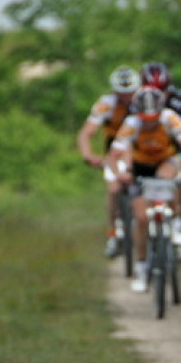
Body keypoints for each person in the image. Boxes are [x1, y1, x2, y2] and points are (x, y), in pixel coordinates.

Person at [107, 86, 181, 292]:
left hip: (165, 161)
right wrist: (120, 174)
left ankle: (174, 221)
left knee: (168, 177)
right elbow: (113, 155)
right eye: (145, 118)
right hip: (141, 167)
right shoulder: (131, 124)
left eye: (153, 117)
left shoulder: (170, 118)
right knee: (140, 218)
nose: (149, 122)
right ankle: (142, 266)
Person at [140, 61, 181, 257]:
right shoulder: (137, 102)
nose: (158, 95)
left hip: (178, 152)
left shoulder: (179, 103)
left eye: (163, 90)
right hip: (147, 153)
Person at [76, 65, 141, 258]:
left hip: (138, 148)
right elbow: (86, 133)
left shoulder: (144, 101)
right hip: (115, 149)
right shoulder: (106, 104)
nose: (125, 97)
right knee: (113, 189)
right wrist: (88, 154)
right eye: (121, 93)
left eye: (129, 93)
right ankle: (113, 232)